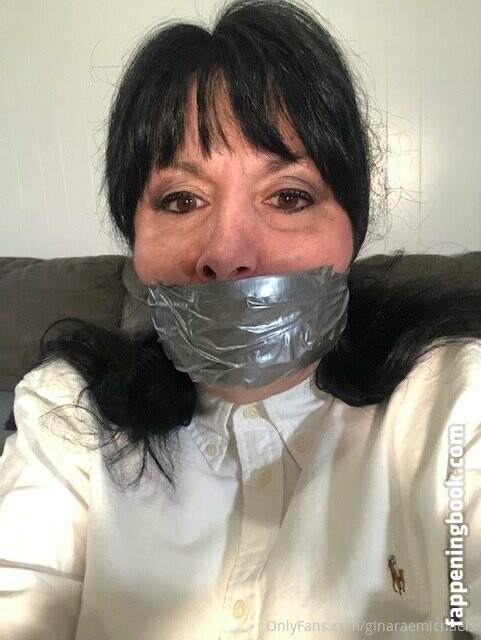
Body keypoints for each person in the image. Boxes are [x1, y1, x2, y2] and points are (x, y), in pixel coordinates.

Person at [0, 0, 480, 638]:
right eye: (182, 199)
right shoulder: (68, 414)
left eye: (288, 196)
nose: (227, 254)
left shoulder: (455, 401)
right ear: (134, 238)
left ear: (351, 234)